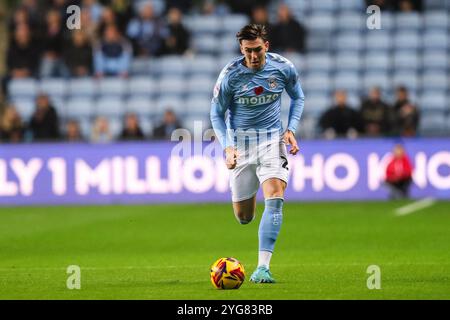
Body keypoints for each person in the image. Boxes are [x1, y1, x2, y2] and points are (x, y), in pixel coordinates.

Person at [210, 24, 304, 283]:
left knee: (275, 195)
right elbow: (216, 114)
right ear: (241, 49)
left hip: (272, 141)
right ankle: (249, 215)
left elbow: (298, 97)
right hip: (241, 146)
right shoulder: (230, 75)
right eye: (248, 50)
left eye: (257, 50)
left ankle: (263, 267)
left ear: (267, 46)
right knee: (244, 217)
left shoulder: (283, 68)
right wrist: (228, 147)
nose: (253, 56)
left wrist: (291, 129)